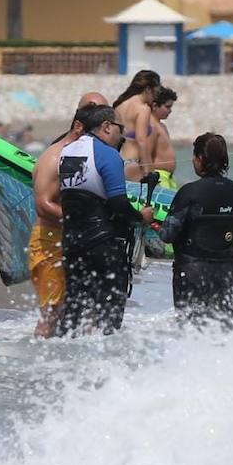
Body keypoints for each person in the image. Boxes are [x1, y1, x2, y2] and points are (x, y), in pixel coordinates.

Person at [58, 103, 154, 336]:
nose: (122, 136)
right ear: (107, 126)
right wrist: (140, 217)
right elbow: (119, 203)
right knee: (110, 310)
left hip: (72, 241)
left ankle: (63, 348)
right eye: (121, 128)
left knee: (74, 306)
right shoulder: (108, 154)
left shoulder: (67, 150)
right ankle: (108, 352)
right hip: (102, 243)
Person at [27, 90, 106, 338]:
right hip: (49, 241)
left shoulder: (82, 154)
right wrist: (86, 221)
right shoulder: (56, 156)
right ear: (79, 123)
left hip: (72, 240)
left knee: (80, 312)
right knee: (52, 313)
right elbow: (43, 204)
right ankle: (33, 359)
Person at [160, 132, 233, 324]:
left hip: (191, 273)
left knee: (189, 328)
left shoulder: (189, 192)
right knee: (225, 328)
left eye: (194, 156)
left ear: (200, 159)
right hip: (227, 273)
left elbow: (168, 235)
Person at [113, 69, 161, 181]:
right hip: (133, 163)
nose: (155, 97)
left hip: (118, 160)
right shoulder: (143, 109)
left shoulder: (119, 105)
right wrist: (147, 170)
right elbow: (141, 140)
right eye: (156, 92)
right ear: (148, 89)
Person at [149, 86, 179, 189]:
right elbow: (146, 155)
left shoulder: (161, 126)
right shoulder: (151, 126)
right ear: (154, 106)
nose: (170, 111)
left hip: (168, 177)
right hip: (159, 177)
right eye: (167, 107)